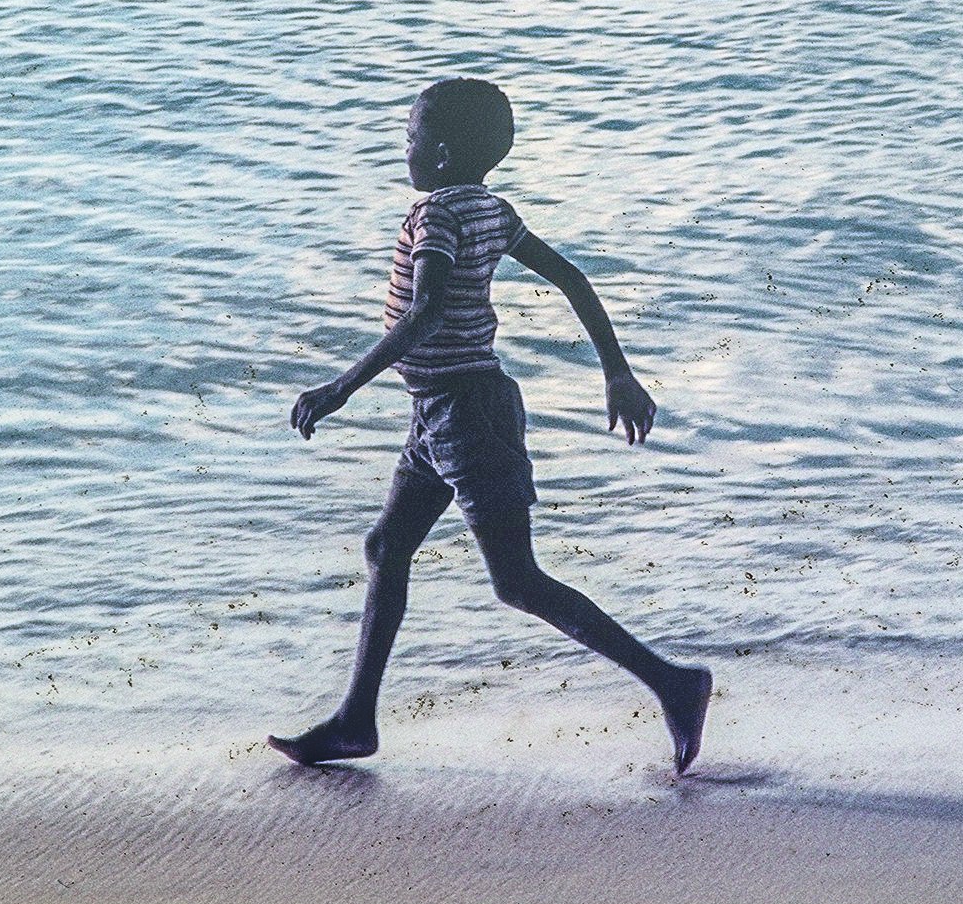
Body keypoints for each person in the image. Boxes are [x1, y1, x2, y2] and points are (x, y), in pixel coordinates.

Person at [267, 77, 712, 774]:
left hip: (464, 414)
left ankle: (674, 683)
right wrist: (616, 371)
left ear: (439, 153)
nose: (404, 148)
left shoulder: (435, 216)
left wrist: (340, 386)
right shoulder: (490, 209)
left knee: (516, 582)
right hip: (441, 415)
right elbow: (572, 278)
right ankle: (355, 721)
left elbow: (426, 313)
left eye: (410, 137)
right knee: (387, 547)